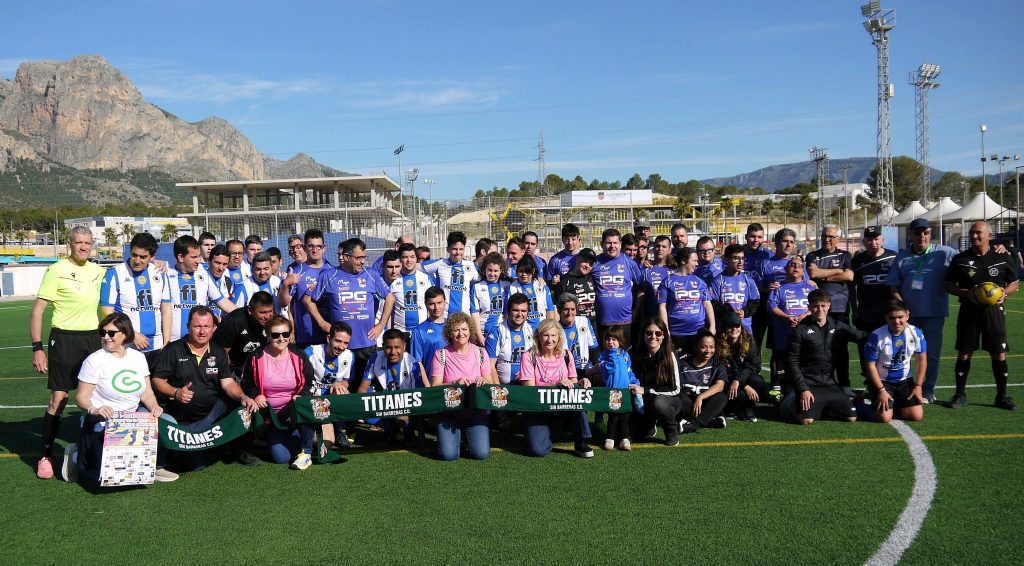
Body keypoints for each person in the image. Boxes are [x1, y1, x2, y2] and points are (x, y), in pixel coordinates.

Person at [31, 226, 106, 479]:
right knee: (59, 398)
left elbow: (128, 271)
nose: (84, 247)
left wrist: (159, 262)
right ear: (70, 244)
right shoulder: (56, 270)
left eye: (88, 242)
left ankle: (94, 449)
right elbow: (38, 310)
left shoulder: (98, 271)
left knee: (96, 397)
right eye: (79, 243)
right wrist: (37, 349)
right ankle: (45, 455)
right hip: (64, 338)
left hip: (93, 339)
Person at [71, 313, 175, 484]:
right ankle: (75, 455)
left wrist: (155, 407)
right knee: (104, 475)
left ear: (125, 334)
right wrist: (95, 410)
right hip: (105, 421)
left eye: (111, 333)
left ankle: (156, 466)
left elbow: (146, 393)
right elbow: (81, 397)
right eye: (103, 333)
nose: (106, 337)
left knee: (167, 421)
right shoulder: (94, 360)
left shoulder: (138, 358)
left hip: (134, 418)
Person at [151, 306, 260, 470]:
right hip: (179, 420)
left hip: (210, 414)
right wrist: (176, 392)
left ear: (214, 328)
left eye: (207, 326)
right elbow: (157, 380)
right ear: (188, 327)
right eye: (197, 326)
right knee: (196, 466)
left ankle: (238, 451)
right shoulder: (173, 350)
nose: (202, 332)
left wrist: (243, 397)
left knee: (242, 404)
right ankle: (193, 449)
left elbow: (228, 382)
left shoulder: (218, 352)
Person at [944, 221, 1020, 410]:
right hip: (969, 310)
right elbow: (947, 285)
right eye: (972, 233)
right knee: (964, 352)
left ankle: (1001, 396)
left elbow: (1015, 283)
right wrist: (965, 293)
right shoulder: (960, 259)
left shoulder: (1002, 256)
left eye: (978, 233)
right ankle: (960, 395)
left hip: (994, 312)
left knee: (999, 353)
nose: (974, 236)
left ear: (989, 236)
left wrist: (1005, 293)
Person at [886, 218, 958, 404]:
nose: (922, 236)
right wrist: (903, 309)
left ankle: (928, 389)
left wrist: (999, 250)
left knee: (931, 354)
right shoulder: (901, 258)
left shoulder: (946, 253)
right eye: (918, 233)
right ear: (910, 235)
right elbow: (893, 287)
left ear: (930, 234)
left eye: (926, 233)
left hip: (934, 313)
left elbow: (971, 260)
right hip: (908, 318)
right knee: (904, 354)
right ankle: (905, 387)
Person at [306, 238, 387, 386]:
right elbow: (307, 300)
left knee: (366, 388)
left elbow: (390, 298)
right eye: (358, 258)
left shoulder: (371, 274)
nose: (362, 262)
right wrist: (322, 322)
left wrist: (381, 325)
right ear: (346, 256)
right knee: (342, 387)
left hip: (367, 344)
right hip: (341, 346)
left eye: (364, 257)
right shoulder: (329, 275)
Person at [240, 315, 318, 470]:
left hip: (294, 411)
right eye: (275, 335)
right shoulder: (256, 357)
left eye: (285, 334)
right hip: (270, 416)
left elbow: (310, 382)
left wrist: (301, 395)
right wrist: (256, 394)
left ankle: (306, 451)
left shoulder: (300, 355)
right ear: (267, 335)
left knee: (307, 403)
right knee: (281, 458)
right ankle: (285, 436)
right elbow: (245, 383)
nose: (281, 338)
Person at [783, 290, 865, 425]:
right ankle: (791, 401)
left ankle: (824, 406)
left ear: (829, 306)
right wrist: (803, 389)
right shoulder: (800, 330)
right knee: (806, 420)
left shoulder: (838, 326)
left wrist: (885, 331)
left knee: (851, 417)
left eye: (823, 306)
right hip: (808, 383)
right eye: (815, 306)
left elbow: (861, 336)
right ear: (809, 308)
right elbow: (792, 363)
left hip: (829, 383)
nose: (819, 309)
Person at [518, 319, 594, 458]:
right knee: (538, 450)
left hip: (562, 405)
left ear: (559, 336)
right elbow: (529, 391)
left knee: (578, 399)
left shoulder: (565, 354)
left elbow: (572, 382)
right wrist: (557, 384)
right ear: (538, 336)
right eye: (545, 335)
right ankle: (545, 432)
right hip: (538, 410)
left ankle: (580, 441)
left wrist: (580, 382)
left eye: (553, 335)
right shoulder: (528, 356)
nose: (550, 340)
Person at [430, 312, 494, 461]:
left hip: (476, 412)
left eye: (464, 329)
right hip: (449, 413)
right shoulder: (441, 354)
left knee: (481, 454)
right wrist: (454, 383)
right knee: (449, 455)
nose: (461, 333)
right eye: (456, 330)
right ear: (449, 333)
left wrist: (483, 381)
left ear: (470, 331)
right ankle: (453, 437)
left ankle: (467, 436)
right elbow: (435, 387)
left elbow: (490, 383)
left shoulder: (481, 352)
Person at [100, 231, 172, 355]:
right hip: (125, 346)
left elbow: (166, 310)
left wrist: (167, 343)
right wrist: (132, 334)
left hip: (157, 346)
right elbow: (107, 313)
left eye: (143, 257)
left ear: (152, 257)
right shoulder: (115, 273)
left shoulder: (159, 273)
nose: (137, 260)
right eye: (134, 255)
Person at [805, 225, 854, 386]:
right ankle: (822, 381)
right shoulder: (812, 255)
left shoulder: (845, 255)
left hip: (840, 308)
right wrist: (837, 271)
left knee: (840, 347)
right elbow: (813, 273)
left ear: (838, 239)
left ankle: (844, 383)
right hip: (819, 309)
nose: (827, 239)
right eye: (824, 236)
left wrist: (824, 276)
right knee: (819, 346)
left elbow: (849, 275)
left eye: (831, 237)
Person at [863, 300, 926, 423]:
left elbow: (922, 360)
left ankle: (895, 404)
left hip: (905, 381)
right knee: (884, 418)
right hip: (882, 382)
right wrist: (881, 390)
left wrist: (918, 386)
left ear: (907, 315)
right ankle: (861, 404)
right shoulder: (876, 336)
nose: (897, 321)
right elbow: (869, 365)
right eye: (892, 318)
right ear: (886, 318)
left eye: (900, 317)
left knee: (916, 416)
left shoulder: (916, 333)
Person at [358, 329, 427, 440]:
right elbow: (363, 387)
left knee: (402, 420)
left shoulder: (412, 364)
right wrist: (360, 407)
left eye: (397, 347)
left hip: (406, 405)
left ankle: (406, 430)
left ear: (404, 347)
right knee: (365, 400)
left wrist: (406, 415)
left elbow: (418, 398)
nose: (393, 352)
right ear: (383, 346)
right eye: (388, 347)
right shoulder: (375, 358)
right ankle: (392, 430)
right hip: (386, 403)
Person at [165, 236, 235, 343]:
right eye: (194, 257)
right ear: (181, 257)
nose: (198, 261)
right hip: (175, 342)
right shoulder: (165, 274)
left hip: (200, 341)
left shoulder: (202, 274)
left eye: (198, 256)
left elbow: (222, 301)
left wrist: (245, 315)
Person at [767, 256, 816, 398]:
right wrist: (787, 317)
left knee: (804, 358)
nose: (796, 267)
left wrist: (804, 315)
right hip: (783, 330)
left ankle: (804, 384)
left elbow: (818, 305)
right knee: (779, 358)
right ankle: (776, 386)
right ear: (786, 268)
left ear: (803, 270)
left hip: (805, 331)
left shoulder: (810, 287)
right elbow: (772, 306)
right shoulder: (778, 287)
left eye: (799, 265)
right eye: (792, 265)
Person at [629, 318, 682, 446]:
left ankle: (671, 432)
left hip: (669, 399)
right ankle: (649, 425)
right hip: (642, 400)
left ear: (663, 336)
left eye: (658, 333)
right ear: (643, 335)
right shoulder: (634, 352)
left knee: (659, 403)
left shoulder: (670, 354)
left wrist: (646, 390)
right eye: (649, 333)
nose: (653, 336)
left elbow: (676, 388)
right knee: (634, 434)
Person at [304, 321, 355, 449]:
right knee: (317, 442)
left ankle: (340, 430)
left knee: (342, 391)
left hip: (331, 398)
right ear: (328, 338)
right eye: (338, 341)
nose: (342, 347)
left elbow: (347, 381)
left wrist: (340, 383)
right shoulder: (310, 352)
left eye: (346, 343)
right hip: (312, 398)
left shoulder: (349, 356)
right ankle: (313, 428)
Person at [280, 229, 333, 348]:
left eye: (318, 246)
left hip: (329, 334)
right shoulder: (297, 272)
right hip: (305, 336)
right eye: (311, 246)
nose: (315, 250)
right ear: (305, 247)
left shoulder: (332, 270)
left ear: (324, 248)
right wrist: (285, 284)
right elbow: (285, 304)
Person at [658, 246, 715, 353]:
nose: (697, 264)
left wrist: (712, 326)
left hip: (698, 332)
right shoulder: (667, 282)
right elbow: (662, 307)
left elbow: (707, 304)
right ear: (684, 261)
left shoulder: (700, 282)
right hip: (676, 333)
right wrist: (666, 332)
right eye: (694, 261)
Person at [754, 228, 803, 350]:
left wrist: (811, 283)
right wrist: (767, 289)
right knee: (774, 350)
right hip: (770, 312)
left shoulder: (798, 263)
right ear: (776, 243)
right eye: (785, 241)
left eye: (791, 242)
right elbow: (755, 288)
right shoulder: (765, 263)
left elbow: (804, 284)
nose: (788, 245)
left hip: (794, 314)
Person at [593, 228, 644, 344]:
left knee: (624, 357)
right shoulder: (595, 263)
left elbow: (641, 288)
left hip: (624, 321)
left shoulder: (629, 262)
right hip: (603, 322)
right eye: (608, 243)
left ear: (620, 244)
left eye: (615, 243)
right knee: (606, 357)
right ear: (602, 244)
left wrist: (635, 311)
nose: (612, 246)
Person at [375, 243, 434, 336]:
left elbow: (432, 304)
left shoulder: (426, 279)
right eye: (405, 257)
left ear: (416, 259)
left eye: (412, 257)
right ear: (400, 259)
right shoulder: (393, 279)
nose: (409, 260)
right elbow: (388, 308)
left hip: (422, 331)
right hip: (400, 333)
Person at [212, 291, 275, 378]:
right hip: (235, 367)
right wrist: (229, 377)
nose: (267, 316)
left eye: (270, 311)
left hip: (260, 365)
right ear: (250, 310)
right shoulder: (234, 320)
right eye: (262, 312)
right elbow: (222, 353)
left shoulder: (273, 320)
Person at [596, 326, 639, 451]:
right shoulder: (603, 356)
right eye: (608, 339)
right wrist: (613, 353)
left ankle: (624, 439)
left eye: (614, 339)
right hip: (613, 392)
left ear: (620, 341)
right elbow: (610, 368)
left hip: (625, 391)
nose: (610, 342)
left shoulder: (625, 354)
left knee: (625, 416)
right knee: (613, 416)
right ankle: (610, 438)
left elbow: (629, 371)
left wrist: (635, 381)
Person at [677, 329, 729, 432]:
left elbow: (720, 385)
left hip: (705, 403)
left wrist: (701, 397)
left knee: (721, 397)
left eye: (711, 347)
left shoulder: (717, 364)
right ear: (696, 347)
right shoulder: (683, 364)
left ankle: (694, 424)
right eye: (703, 347)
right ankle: (709, 421)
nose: (708, 351)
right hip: (688, 403)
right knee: (679, 397)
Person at [717, 311, 765, 422]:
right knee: (740, 394)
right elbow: (721, 370)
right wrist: (744, 385)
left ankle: (749, 407)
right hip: (727, 379)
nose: (734, 329)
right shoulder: (718, 343)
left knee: (758, 381)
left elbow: (754, 366)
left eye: (737, 325)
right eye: (730, 326)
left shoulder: (749, 341)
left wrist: (739, 381)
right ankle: (731, 408)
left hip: (742, 378)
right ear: (725, 327)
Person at [422, 231, 479, 319]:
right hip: (444, 317)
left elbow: (486, 276)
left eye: (461, 249)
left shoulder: (471, 266)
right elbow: (415, 266)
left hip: (464, 317)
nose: (458, 252)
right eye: (454, 249)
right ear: (448, 249)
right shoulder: (440, 264)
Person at [851, 227, 897, 336]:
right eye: (869, 240)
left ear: (882, 240)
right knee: (866, 347)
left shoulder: (894, 257)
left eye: (876, 239)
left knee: (888, 349)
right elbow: (851, 287)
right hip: (866, 313)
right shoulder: (857, 261)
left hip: (889, 312)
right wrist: (854, 311)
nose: (873, 242)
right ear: (864, 242)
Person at [710, 243, 760, 333]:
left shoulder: (749, 281)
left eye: (742, 258)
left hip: (745, 328)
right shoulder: (718, 280)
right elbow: (713, 303)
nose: (740, 262)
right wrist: (729, 312)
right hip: (724, 328)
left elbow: (755, 302)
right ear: (726, 259)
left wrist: (744, 312)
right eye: (736, 258)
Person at [486, 293, 535, 385]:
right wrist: (499, 389)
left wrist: (525, 374)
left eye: (523, 311)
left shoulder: (532, 331)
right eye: (516, 310)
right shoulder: (496, 332)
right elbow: (490, 366)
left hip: (527, 384)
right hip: (503, 386)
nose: (519, 314)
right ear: (508, 311)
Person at [554, 247, 598, 329]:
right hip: (572, 326)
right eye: (585, 261)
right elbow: (556, 307)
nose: (587, 265)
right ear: (577, 258)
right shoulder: (563, 280)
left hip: (592, 325)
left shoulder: (593, 278)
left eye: (591, 264)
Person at [471, 252, 510, 346]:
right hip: (483, 332)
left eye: (496, 271)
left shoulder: (507, 285)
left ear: (501, 271)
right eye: (490, 270)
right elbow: (474, 313)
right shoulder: (477, 287)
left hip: (502, 332)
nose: (492, 274)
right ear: (485, 269)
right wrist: (479, 335)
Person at [507, 257, 555, 330]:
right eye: (521, 271)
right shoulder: (511, 288)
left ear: (533, 270)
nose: (524, 274)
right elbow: (508, 313)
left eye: (527, 271)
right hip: (522, 331)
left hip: (541, 330)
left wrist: (550, 329)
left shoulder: (542, 287)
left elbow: (550, 310)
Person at [410, 287, 448, 378]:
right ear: (426, 304)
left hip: (454, 381)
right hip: (431, 384)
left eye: (439, 303)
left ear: (445, 302)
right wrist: (426, 385)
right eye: (432, 304)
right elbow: (417, 363)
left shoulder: (454, 326)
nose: (436, 307)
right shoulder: (419, 331)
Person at [558, 293, 599, 376]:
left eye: (572, 309)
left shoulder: (584, 321)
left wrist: (597, 368)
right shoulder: (554, 329)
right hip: (565, 373)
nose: (570, 313)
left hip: (587, 369)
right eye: (566, 309)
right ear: (559, 310)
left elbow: (594, 350)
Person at [637, 236, 674, 321]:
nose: (660, 249)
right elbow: (641, 297)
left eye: (664, 246)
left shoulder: (675, 270)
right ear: (653, 249)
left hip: (671, 318)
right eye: (657, 246)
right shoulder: (645, 269)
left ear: (669, 250)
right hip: (650, 317)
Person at [205, 244, 233, 318]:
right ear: (209, 261)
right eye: (217, 263)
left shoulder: (228, 282)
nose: (221, 268)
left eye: (225, 264)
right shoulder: (202, 281)